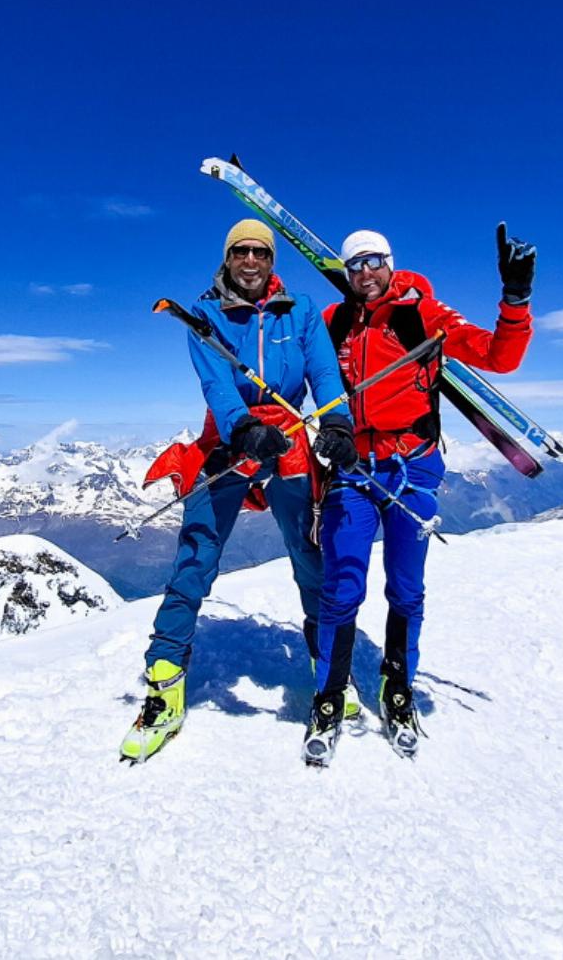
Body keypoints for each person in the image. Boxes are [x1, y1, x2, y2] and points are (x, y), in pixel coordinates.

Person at [120, 219, 358, 763]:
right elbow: (217, 384)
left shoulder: (298, 313)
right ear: (227, 259)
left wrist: (338, 422)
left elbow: (323, 373)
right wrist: (241, 426)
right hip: (228, 441)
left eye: (260, 252)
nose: (250, 260)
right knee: (196, 560)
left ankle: (330, 674)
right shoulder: (204, 317)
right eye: (240, 252)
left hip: (290, 438)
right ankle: (163, 688)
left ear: (272, 261)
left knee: (310, 558)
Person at [305, 225, 535, 763]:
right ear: (345, 272)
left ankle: (398, 686)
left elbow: (499, 357)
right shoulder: (333, 323)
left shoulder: (421, 313)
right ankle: (330, 694)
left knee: (406, 588)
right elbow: (300, 377)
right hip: (354, 470)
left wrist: (516, 299)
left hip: (412, 468)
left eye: (375, 260)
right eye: (356, 264)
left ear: (390, 262)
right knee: (341, 588)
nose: (366, 271)